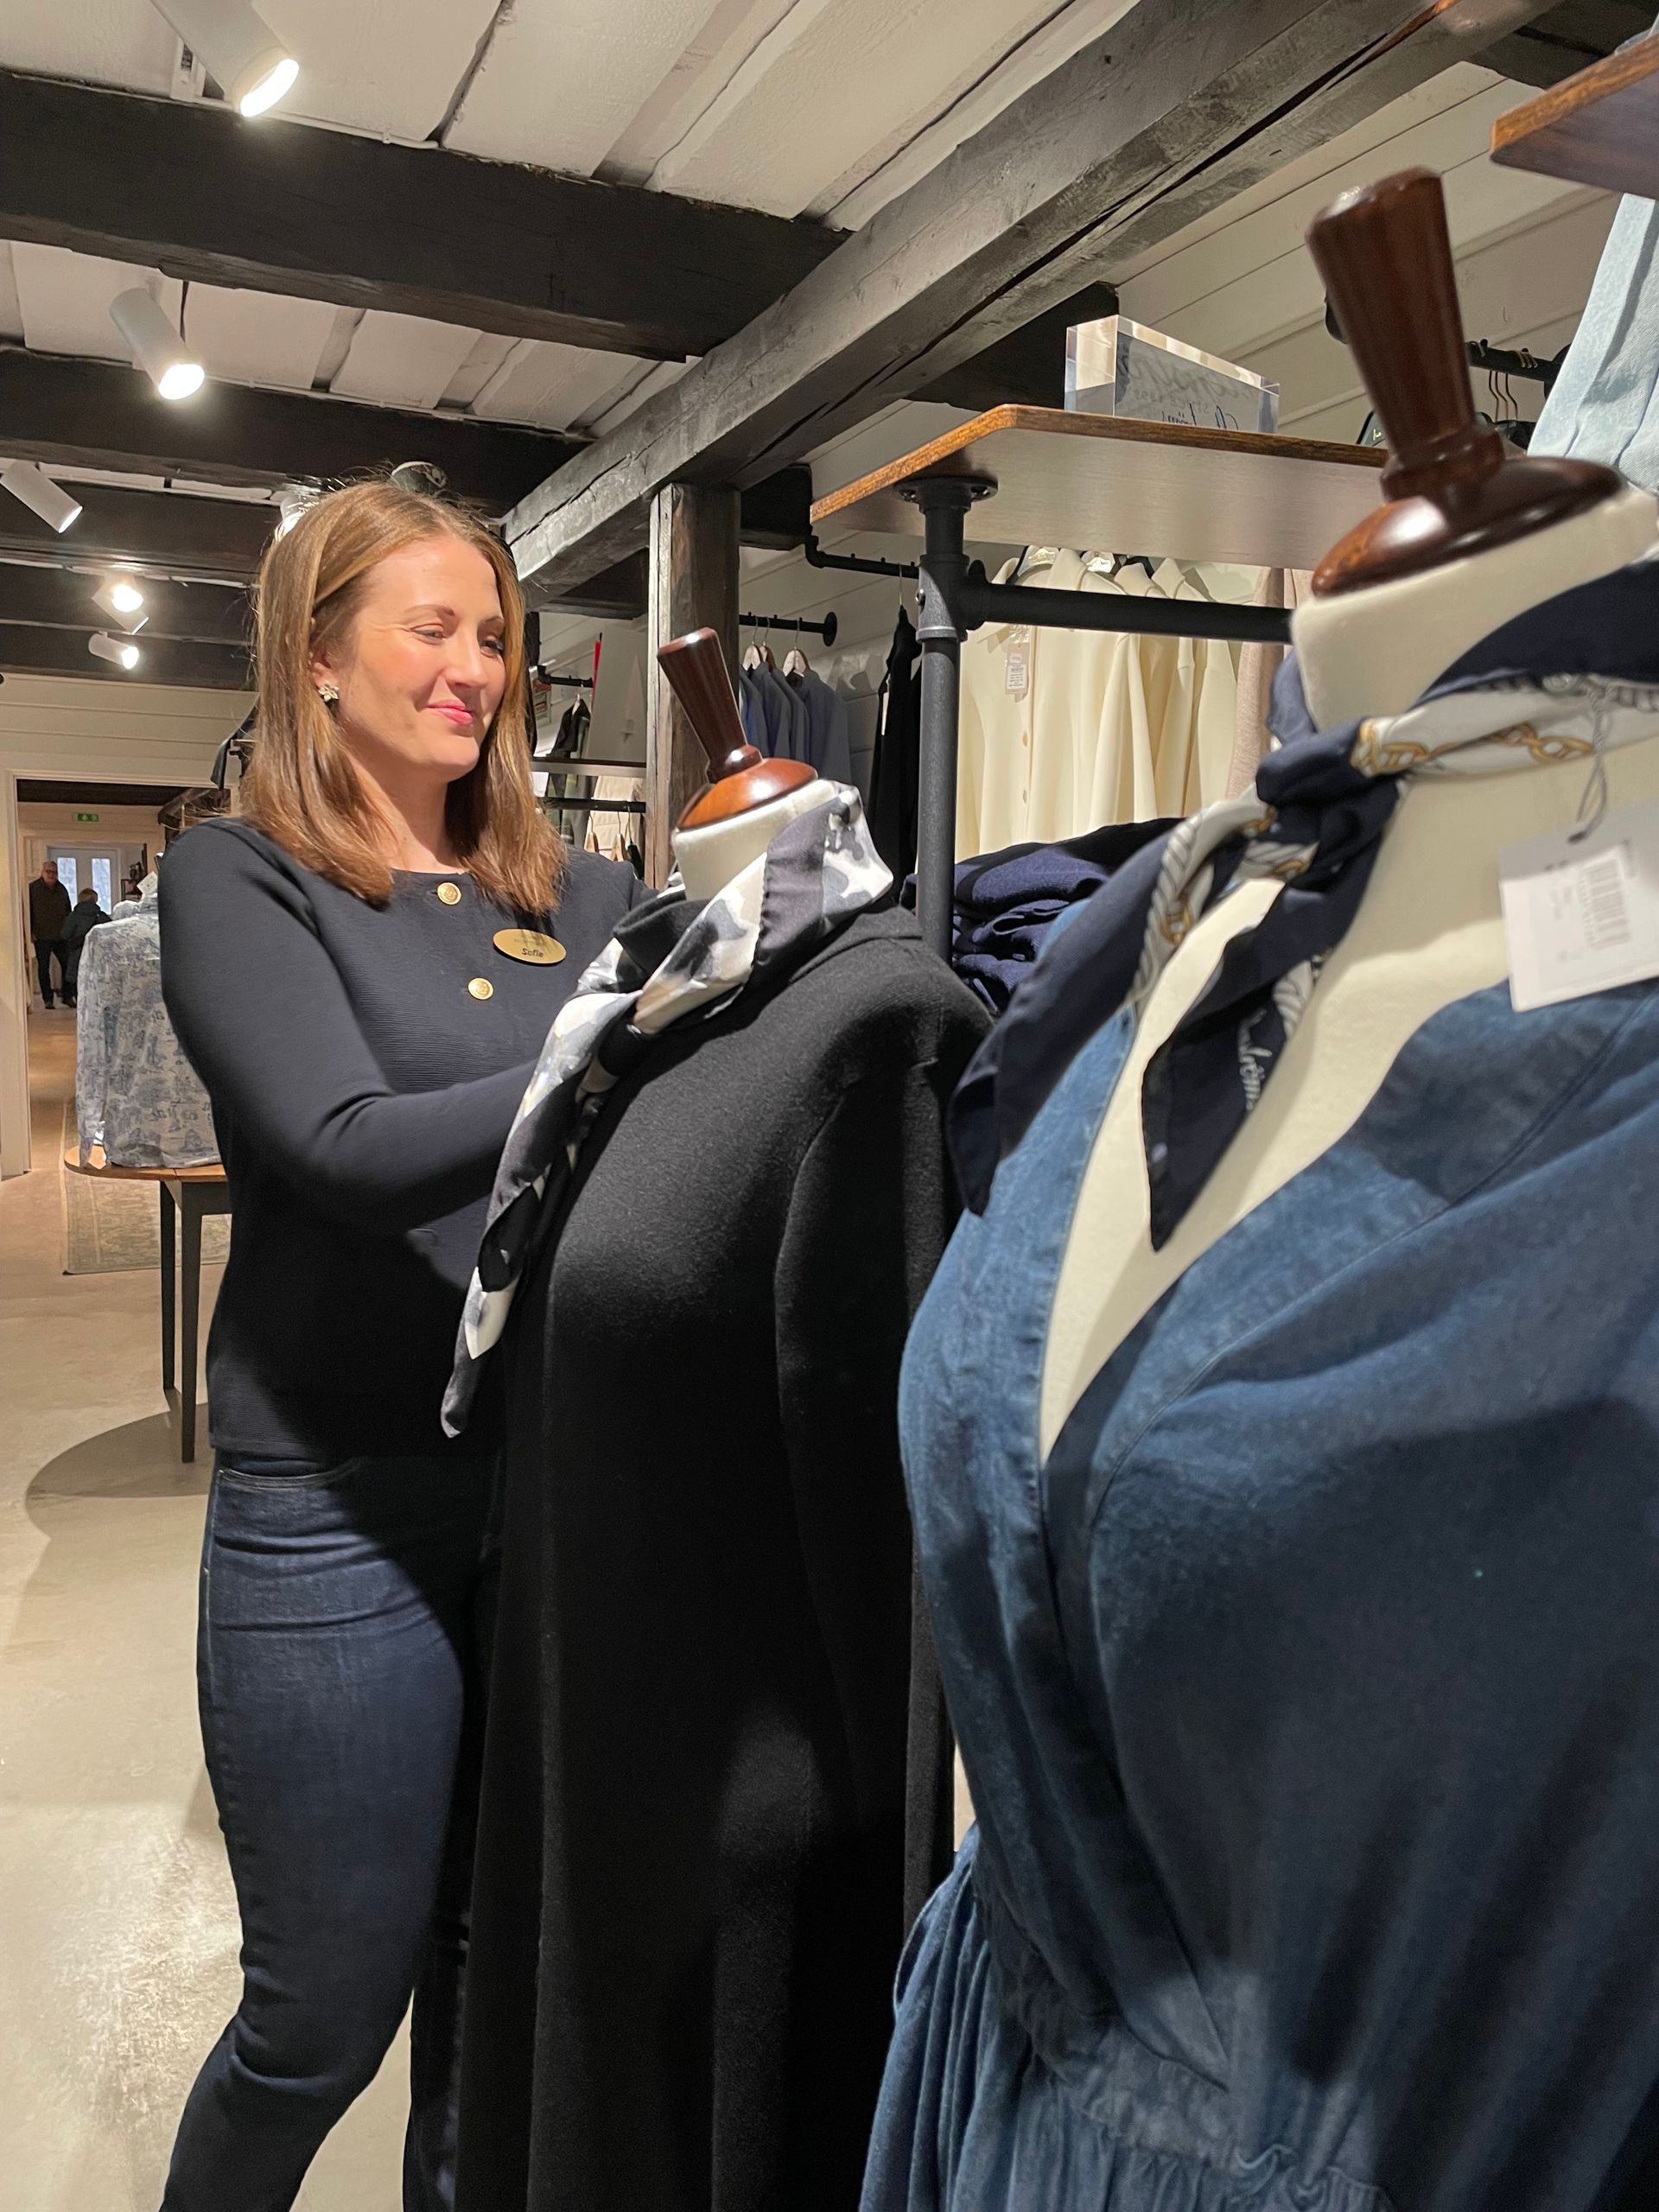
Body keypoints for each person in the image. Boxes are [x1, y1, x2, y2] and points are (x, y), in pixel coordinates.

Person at [156, 477, 648, 2212]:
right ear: (319, 654)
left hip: (550, 1484)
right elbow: (341, 1142)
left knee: (493, 1979)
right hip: (338, 1508)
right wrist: (617, 1047)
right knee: (319, 2018)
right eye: (433, 627)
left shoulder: (586, 890)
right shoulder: (243, 876)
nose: (477, 669)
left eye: (495, 635)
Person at [27, 859, 71, 1007]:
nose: (51, 875)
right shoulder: (32, 889)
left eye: (54, 872)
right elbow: (27, 912)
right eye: (48, 871)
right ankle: (48, 999)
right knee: (43, 968)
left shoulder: (62, 889)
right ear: (42, 872)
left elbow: (68, 911)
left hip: (61, 936)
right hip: (41, 935)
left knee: (67, 965)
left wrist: (68, 931)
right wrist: (30, 931)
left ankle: (67, 996)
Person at [58, 884, 110, 1007]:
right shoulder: (101, 916)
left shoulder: (73, 916)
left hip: (77, 953)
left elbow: (64, 934)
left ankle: (80, 1005)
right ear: (95, 900)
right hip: (97, 954)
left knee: (78, 979)